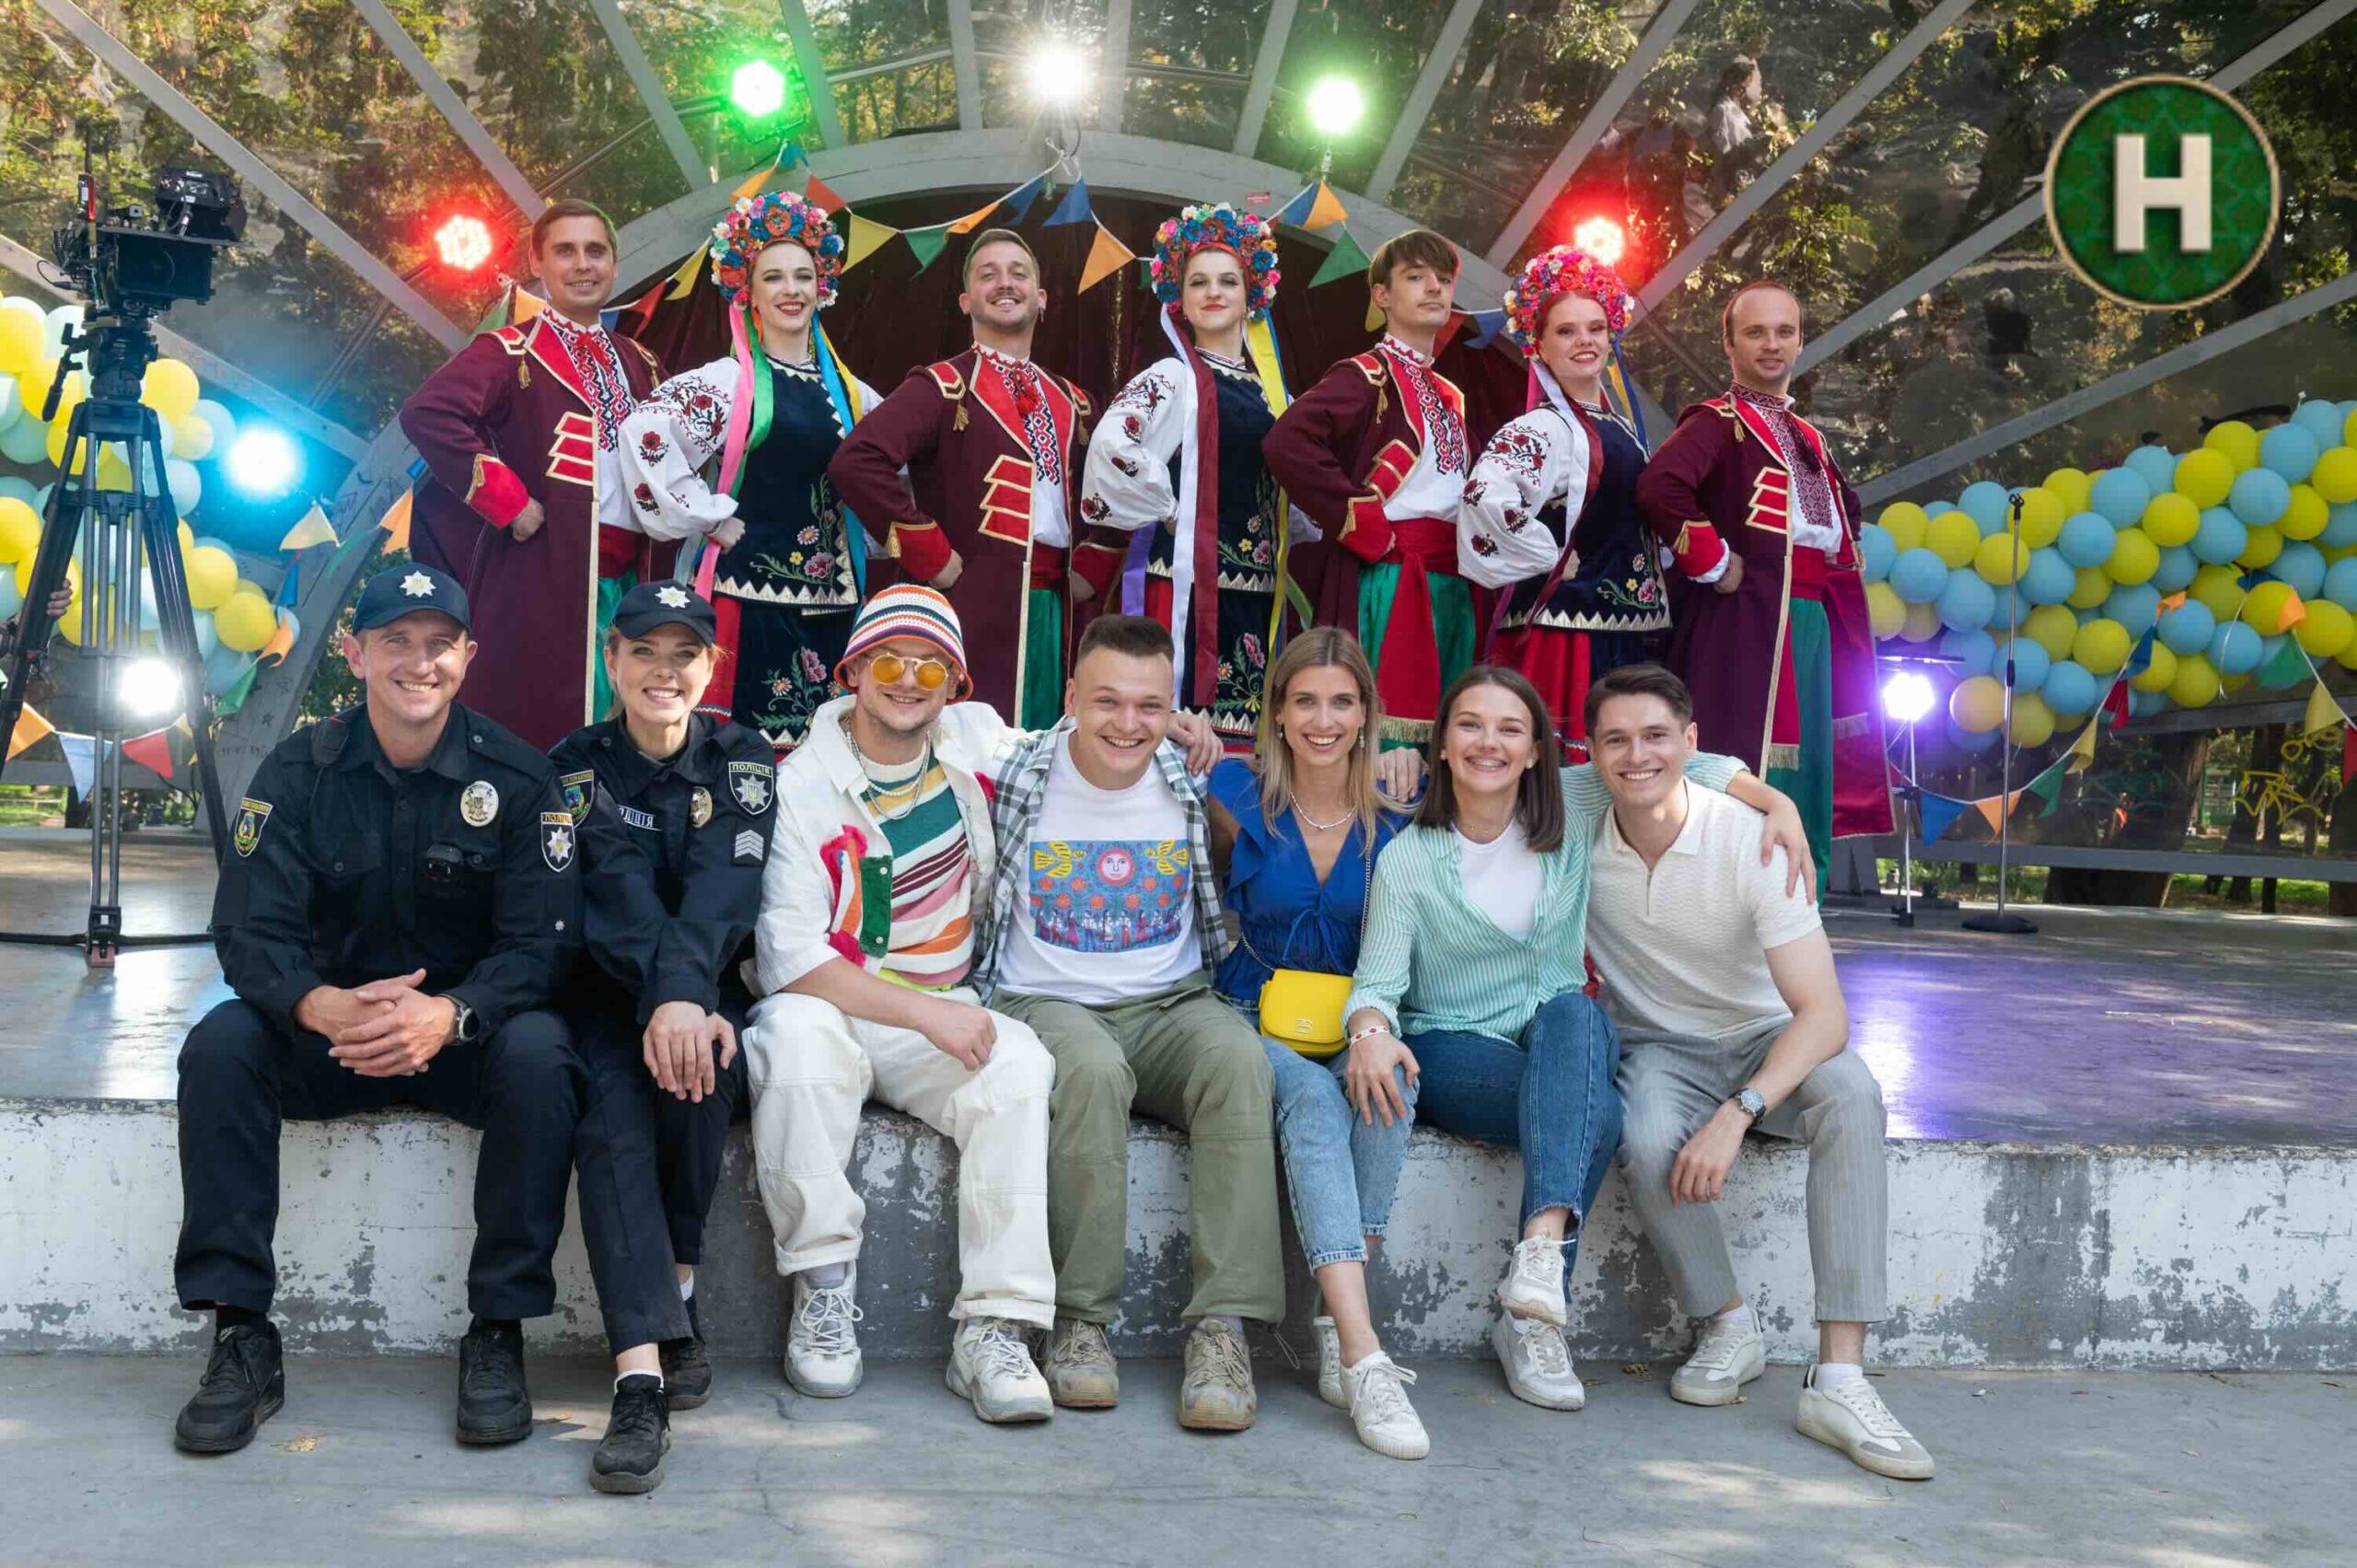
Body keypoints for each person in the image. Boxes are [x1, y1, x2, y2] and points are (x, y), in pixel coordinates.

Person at [171, 564, 584, 1455]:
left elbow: (544, 945)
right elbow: (246, 929)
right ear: (356, 655)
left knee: (543, 1053)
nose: (419, 662)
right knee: (221, 1043)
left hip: (459, 1043)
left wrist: (452, 1013)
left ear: (468, 657)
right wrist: (316, 1004)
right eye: (397, 640)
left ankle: (498, 1331)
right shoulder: (299, 771)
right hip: (334, 1038)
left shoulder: (518, 780)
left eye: (440, 643)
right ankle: (241, 1334)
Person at [1342, 664, 1808, 1413]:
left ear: (1537, 751)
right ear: (1442, 744)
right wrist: (1368, 1029)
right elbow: (1376, 984)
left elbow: (1682, 762)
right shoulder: (1410, 859)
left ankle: (1536, 1267)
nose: (1489, 742)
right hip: (1455, 1049)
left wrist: (1775, 800)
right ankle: (1533, 1315)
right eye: (1470, 725)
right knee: (1602, 1110)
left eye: (1510, 729)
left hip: (1556, 1041)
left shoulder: (1569, 803)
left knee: (1576, 1013)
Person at [1582, 662, 1932, 1481]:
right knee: (1644, 1131)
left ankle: (1839, 1377)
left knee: (1853, 1092)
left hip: (1768, 1035)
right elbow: (1494, 765)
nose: (1637, 756)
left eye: (1657, 736)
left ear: (1691, 741)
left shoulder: (1752, 838)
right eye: (1615, 740)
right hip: (1659, 1047)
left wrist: (1740, 1109)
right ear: (1591, 754)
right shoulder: (1578, 816)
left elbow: (1826, 1015)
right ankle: (1727, 1325)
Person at [740, 585, 1062, 1425]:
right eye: (888, 661)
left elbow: (1083, 745)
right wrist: (925, 1014)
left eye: (931, 666)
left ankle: (994, 1327)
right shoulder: (801, 783)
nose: (909, 680)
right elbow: (789, 957)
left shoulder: (974, 737)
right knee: (795, 1041)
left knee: (1019, 1064)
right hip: (836, 1004)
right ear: (851, 671)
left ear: (956, 684)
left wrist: (1182, 734)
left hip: (940, 1010)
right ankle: (822, 1286)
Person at [982, 614, 1283, 1432]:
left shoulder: (1191, 776)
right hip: (1045, 1001)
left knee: (1239, 1061)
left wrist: (1402, 757)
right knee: (1090, 1068)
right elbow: (922, 719)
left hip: (1168, 1003)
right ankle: (1080, 1322)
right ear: (1070, 697)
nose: (1127, 723)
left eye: (1150, 706)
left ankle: (1222, 1329)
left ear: (1173, 709)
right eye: (1107, 700)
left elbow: (1312, 769)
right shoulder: (1015, 766)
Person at [550, 582, 770, 1493]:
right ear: (612, 659)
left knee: (702, 1074)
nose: (663, 671)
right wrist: (669, 995)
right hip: (606, 994)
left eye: (684, 655)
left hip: (711, 994)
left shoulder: (741, 756)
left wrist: (687, 999)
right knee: (609, 1111)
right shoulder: (577, 764)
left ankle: (675, 1292)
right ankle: (640, 1377)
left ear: (711, 667)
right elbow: (614, 887)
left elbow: (725, 887)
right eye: (644, 651)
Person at [1202, 627, 1424, 1459]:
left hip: (1356, 1010)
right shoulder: (1233, 790)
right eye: (1304, 701)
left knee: (1390, 1087)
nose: (1322, 720)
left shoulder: (1401, 809)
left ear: (1367, 713)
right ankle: (1365, 1355)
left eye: (1341, 702)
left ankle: (1334, 1320)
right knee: (1307, 1096)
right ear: (1277, 712)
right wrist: (1187, 728)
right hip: (1248, 1008)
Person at [1635, 279, 1892, 891]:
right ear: (1729, 344)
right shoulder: (1718, 423)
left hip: (1811, 620)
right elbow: (1659, 487)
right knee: (1748, 761)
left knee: (1809, 768)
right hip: (1747, 625)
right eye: (1755, 332)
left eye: (1784, 332)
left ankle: (1799, 908)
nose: (1771, 344)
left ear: (1800, 341)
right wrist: (1713, 560)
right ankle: (1732, 910)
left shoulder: (1809, 436)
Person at [618, 192, 883, 752]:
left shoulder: (853, 394)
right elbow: (645, 431)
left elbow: (889, 473)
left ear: (822, 287)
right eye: (774, 278)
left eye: (803, 277)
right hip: (748, 599)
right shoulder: (731, 382)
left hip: (833, 608)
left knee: (827, 757)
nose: (792, 290)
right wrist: (708, 516)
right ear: (749, 292)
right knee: (739, 757)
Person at [401, 199, 668, 749]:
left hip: (635, 579)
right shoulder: (509, 350)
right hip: (548, 574)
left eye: (595, 251)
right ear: (537, 263)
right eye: (565, 251)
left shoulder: (641, 361)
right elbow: (428, 413)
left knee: (633, 735)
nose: (583, 264)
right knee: (550, 725)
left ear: (614, 264)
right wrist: (510, 503)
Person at [828, 228, 1104, 729]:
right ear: (965, 301)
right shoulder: (943, 385)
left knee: (1049, 743)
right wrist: (930, 554)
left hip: (1056, 609)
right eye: (987, 275)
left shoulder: (1075, 401)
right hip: (970, 602)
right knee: (969, 743)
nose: (1005, 284)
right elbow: (857, 461)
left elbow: (1117, 491)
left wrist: (1094, 565)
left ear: (1041, 298)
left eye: (1018, 274)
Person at [1079, 202, 1291, 751]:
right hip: (1184, 587)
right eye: (1199, 282)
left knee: (1241, 742)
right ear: (1180, 298)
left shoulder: (1272, 392)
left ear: (1251, 294)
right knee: (1173, 734)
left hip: (1256, 588)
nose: (1213, 292)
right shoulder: (1174, 376)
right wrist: (1171, 506)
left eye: (1228, 281)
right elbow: (1110, 445)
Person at [1264, 228, 1477, 748]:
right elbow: (1287, 441)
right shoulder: (1366, 374)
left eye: (1443, 279)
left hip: (1452, 581)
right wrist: (1362, 523)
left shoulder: (1450, 394)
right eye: (1415, 277)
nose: (1434, 288)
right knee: (1383, 738)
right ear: (1382, 295)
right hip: (1392, 576)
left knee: (1449, 732)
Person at [1462, 244, 1669, 754]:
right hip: (1567, 631)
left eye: (1595, 328)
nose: (1585, 341)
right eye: (1567, 331)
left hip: (1617, 627)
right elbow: (1484, 495)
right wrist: (1549, 553)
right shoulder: (1545, 427)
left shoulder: (1618, 425)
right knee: (1568, 772)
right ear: (1538, 346)